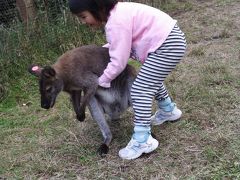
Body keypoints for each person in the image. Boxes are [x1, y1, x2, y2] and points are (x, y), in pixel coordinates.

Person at [69, 0, 187, 160]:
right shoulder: (119, 12)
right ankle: (168, 110)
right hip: (170, 40)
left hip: (166, 46)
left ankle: (142, 140)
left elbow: (119, 62)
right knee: (150, 77)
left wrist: (102, 80)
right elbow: (119, 44)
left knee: (140, 89)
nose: (83, 22)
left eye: (83, 16)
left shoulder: (115, 22)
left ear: (98, 8)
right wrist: (103, 50)